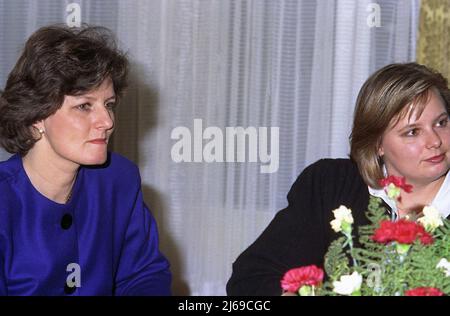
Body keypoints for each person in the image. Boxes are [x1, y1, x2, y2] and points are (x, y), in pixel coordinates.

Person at [227, 62, 450, 296]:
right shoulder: (332, 185)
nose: (435, 141)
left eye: (441, 123)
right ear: (378, 144)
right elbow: (251, 277)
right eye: (413, 132)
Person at [0, 24, 171, 295]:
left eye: (109, 104)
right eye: (84, 106)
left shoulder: (119, 180)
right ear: (36, 116)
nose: (106, 121)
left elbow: (145, 275)